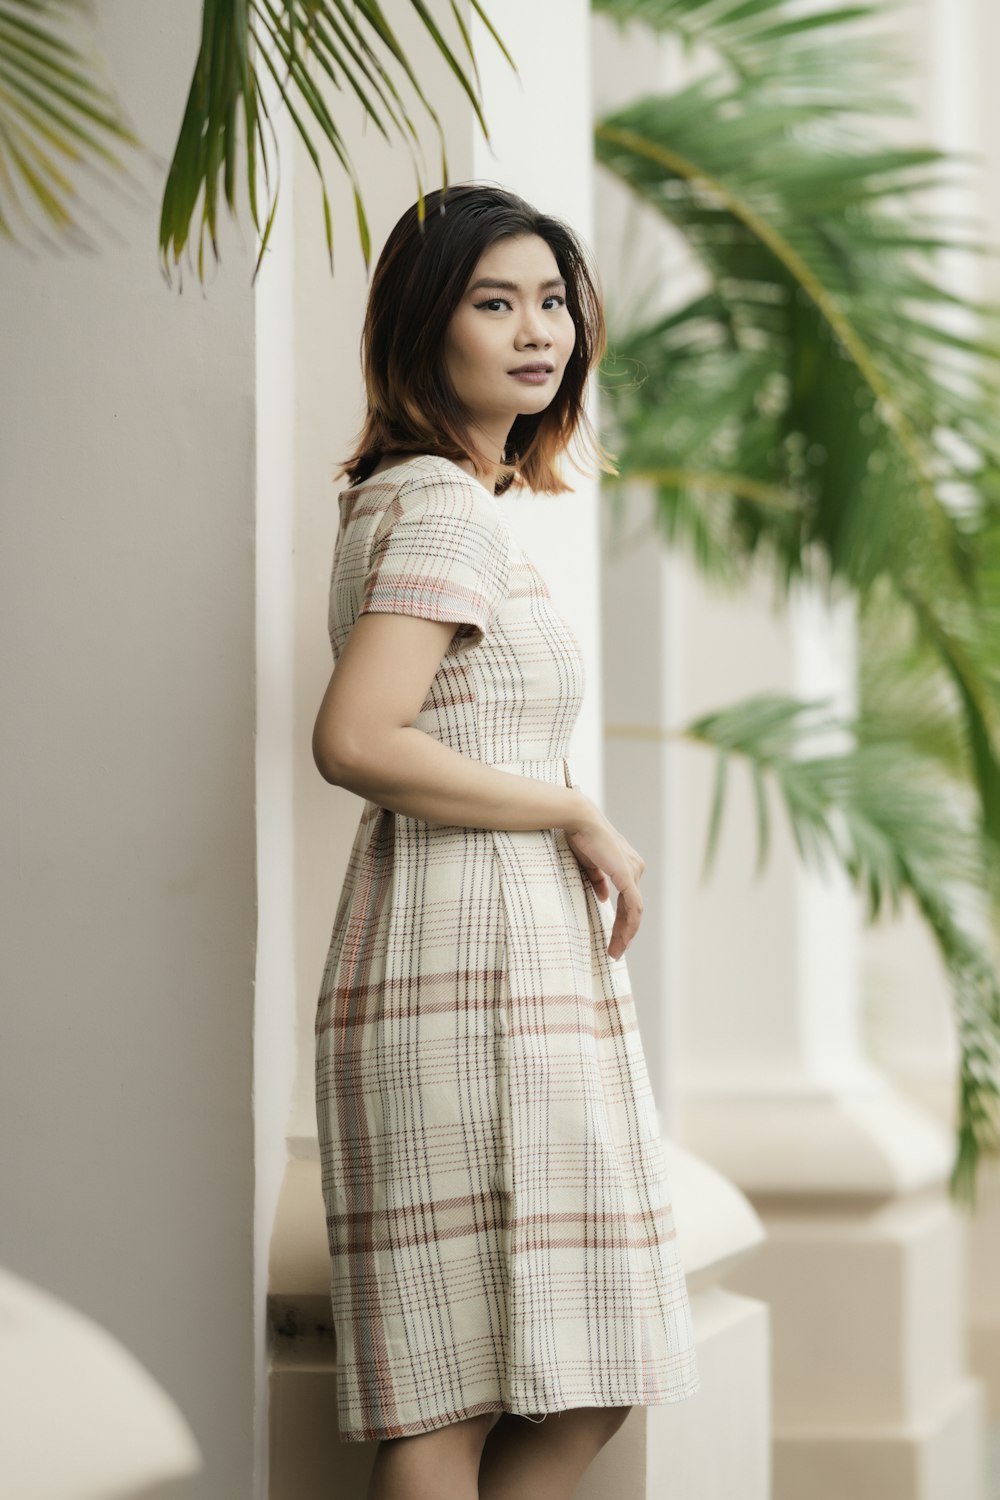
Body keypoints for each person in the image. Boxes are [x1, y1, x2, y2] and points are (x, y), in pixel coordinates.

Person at [312, 182, 700, 1500]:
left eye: (552, 302)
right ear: (429, 326)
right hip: (460, 959)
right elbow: (358, 738)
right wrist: (576, 809)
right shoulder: (440, 506)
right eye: (495, 302)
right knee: (455, 1381)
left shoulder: (449, 500)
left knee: (578, 1362)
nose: (538, 332)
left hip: (496, 958)